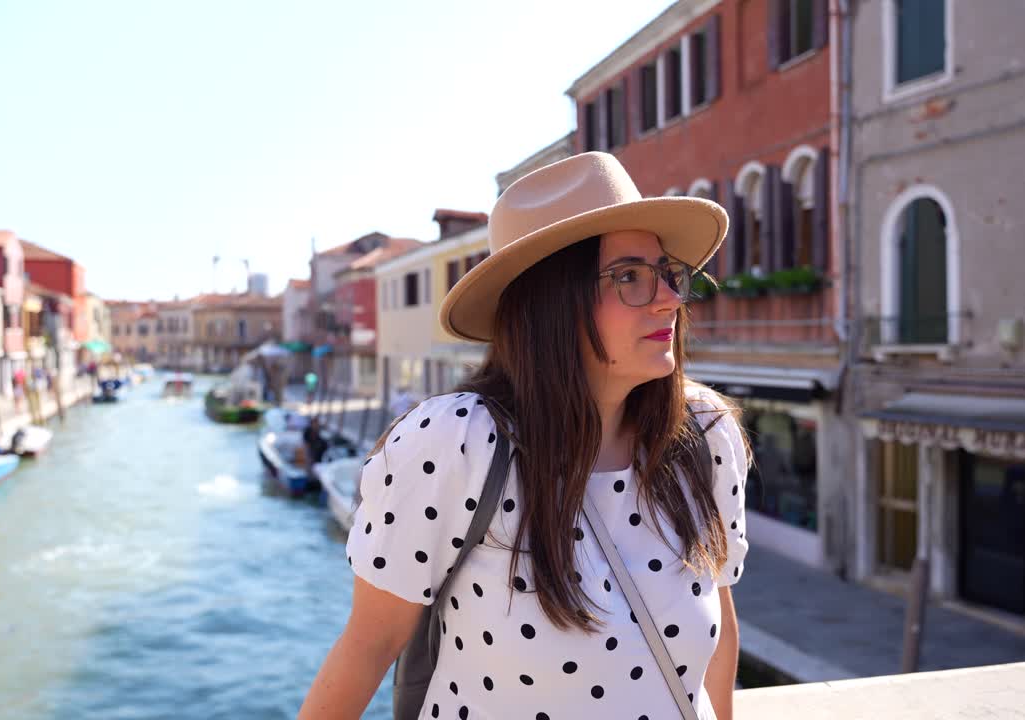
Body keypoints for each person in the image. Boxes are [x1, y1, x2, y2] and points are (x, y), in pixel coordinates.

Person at [300, 152, 751, 720]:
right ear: (551, 303)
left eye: (668, 272)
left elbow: (720, 628)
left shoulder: (704, 434)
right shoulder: (455, 442)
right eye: (630, 276)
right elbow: (368, 648)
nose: (669, 297)